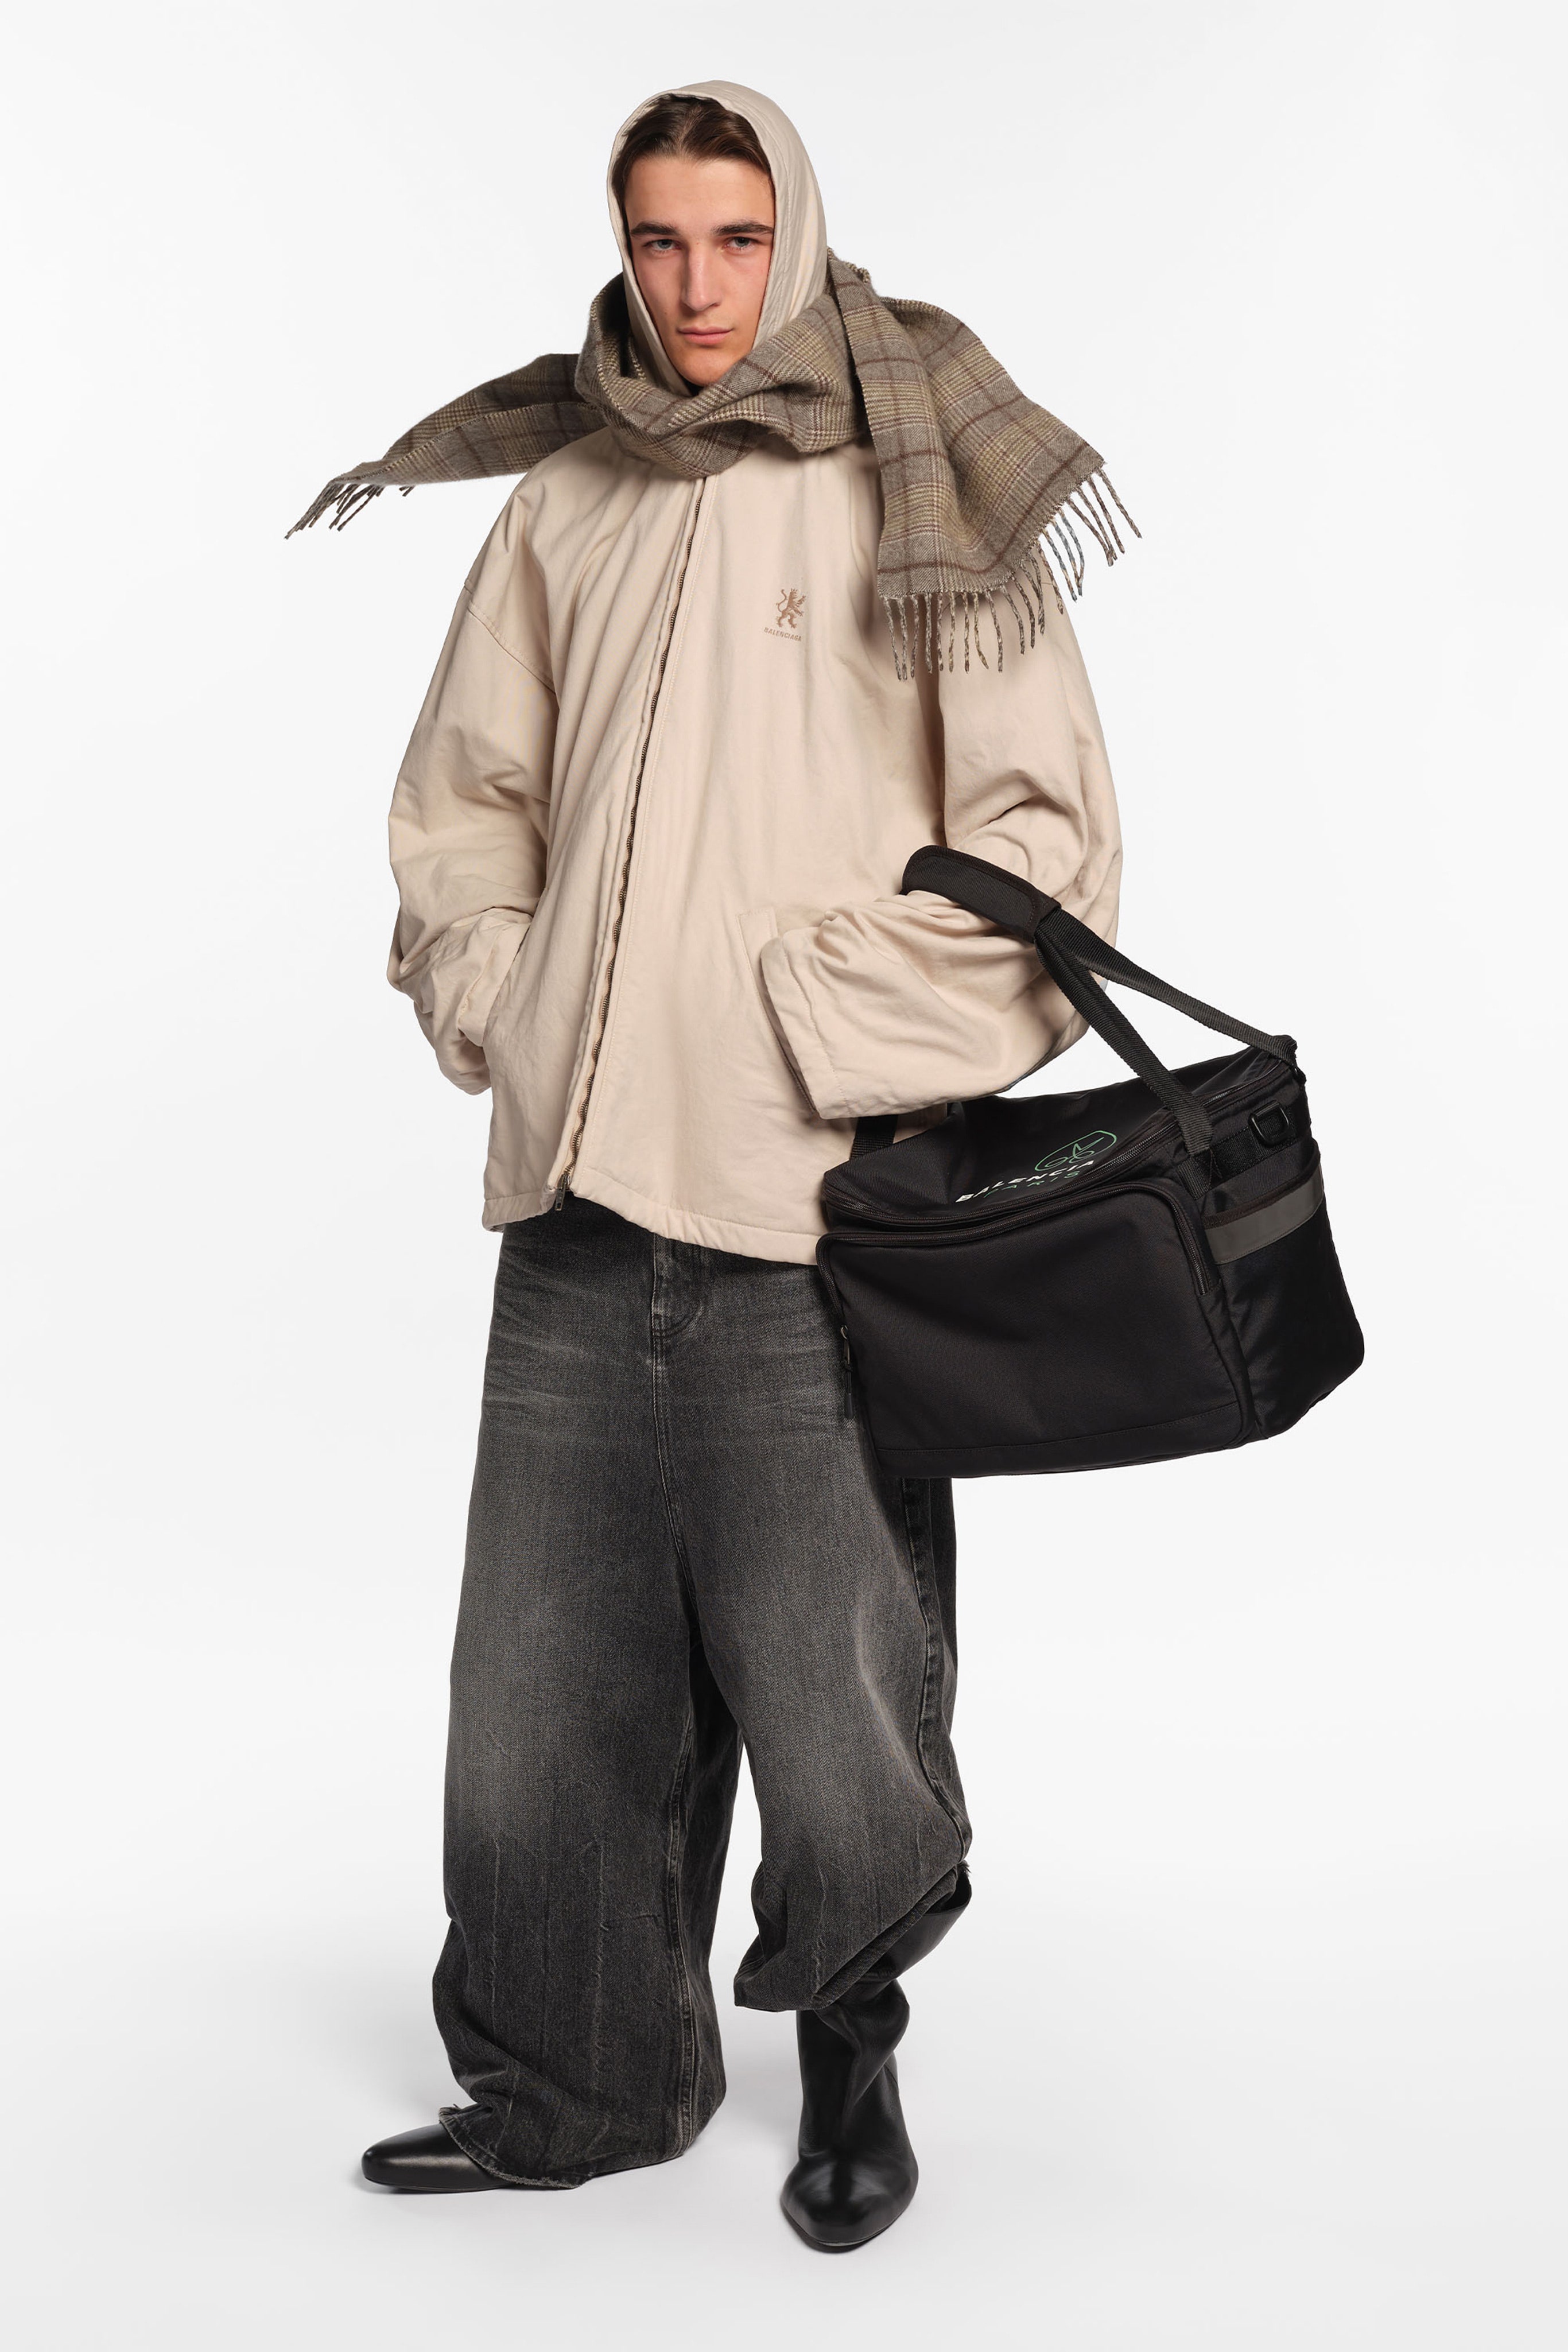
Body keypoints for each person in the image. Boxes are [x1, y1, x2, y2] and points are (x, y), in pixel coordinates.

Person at [292, 79, 1130, 2251]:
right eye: (658, 240)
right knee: (541, 1690)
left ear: (796, 234)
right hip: (576, 1195)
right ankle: (581, 2078)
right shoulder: (566, 495)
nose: (693, 287)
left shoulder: (919, 484)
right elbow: (465, 802)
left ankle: (852, 2042)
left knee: (836, 1678)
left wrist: (813, 1025)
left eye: (735, 240)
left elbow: (1041, 852)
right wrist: (513, 998)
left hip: (810, 1204)